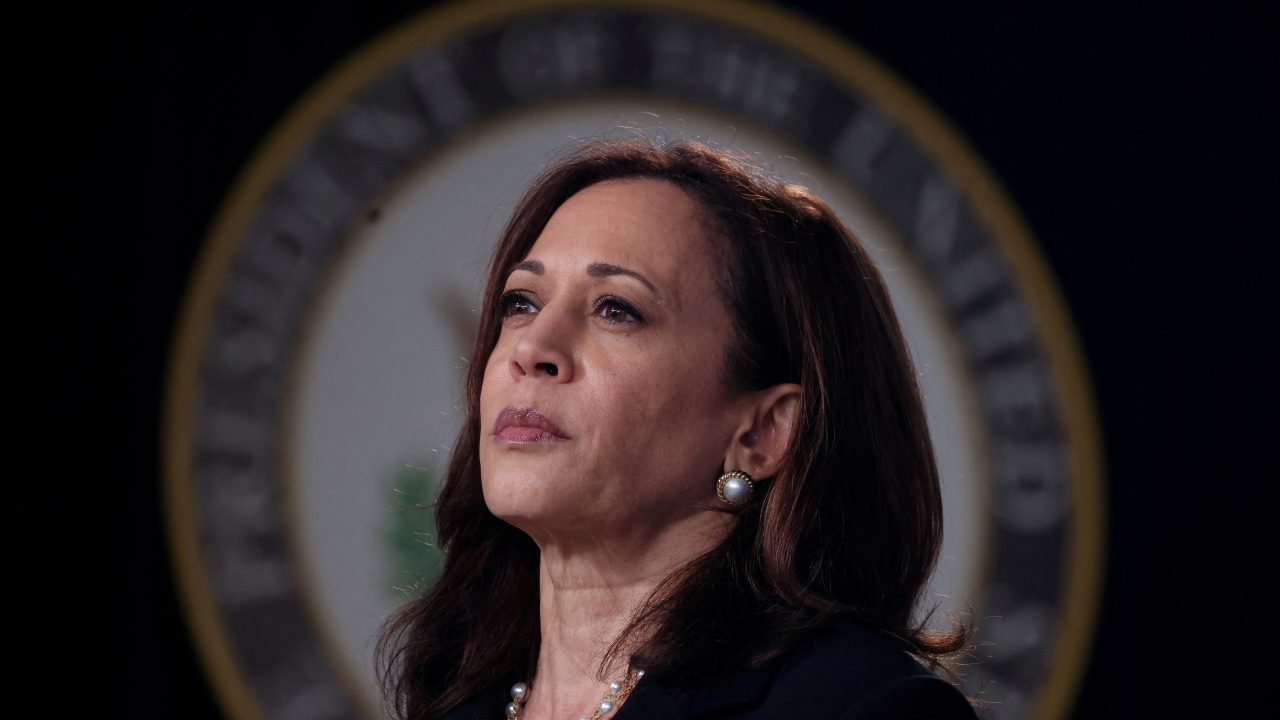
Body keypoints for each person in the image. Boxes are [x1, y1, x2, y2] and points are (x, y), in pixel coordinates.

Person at [377, 139, 977, 720]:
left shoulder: (868, 707)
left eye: (617, 309)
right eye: (521, 303)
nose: (532, 349)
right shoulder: (451, 699)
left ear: (762, 433)